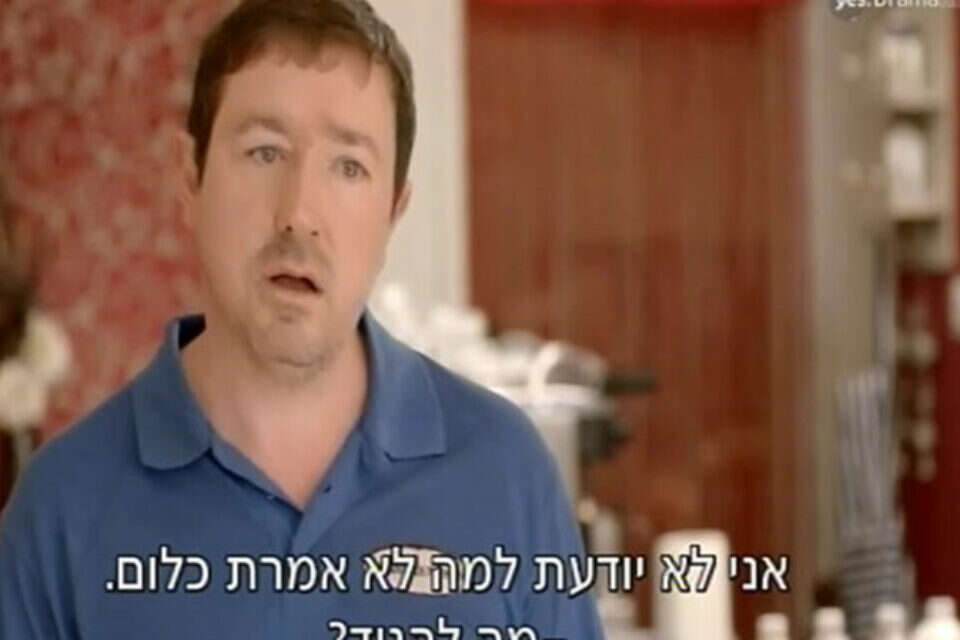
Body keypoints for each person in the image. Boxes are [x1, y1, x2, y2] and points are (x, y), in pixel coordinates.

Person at [0, 1, 604, 638]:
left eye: (349, 166)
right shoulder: (60, 510)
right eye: (264, 152)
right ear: (190, 178)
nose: (298, 214)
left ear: (393, 212)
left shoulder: (504, 473)